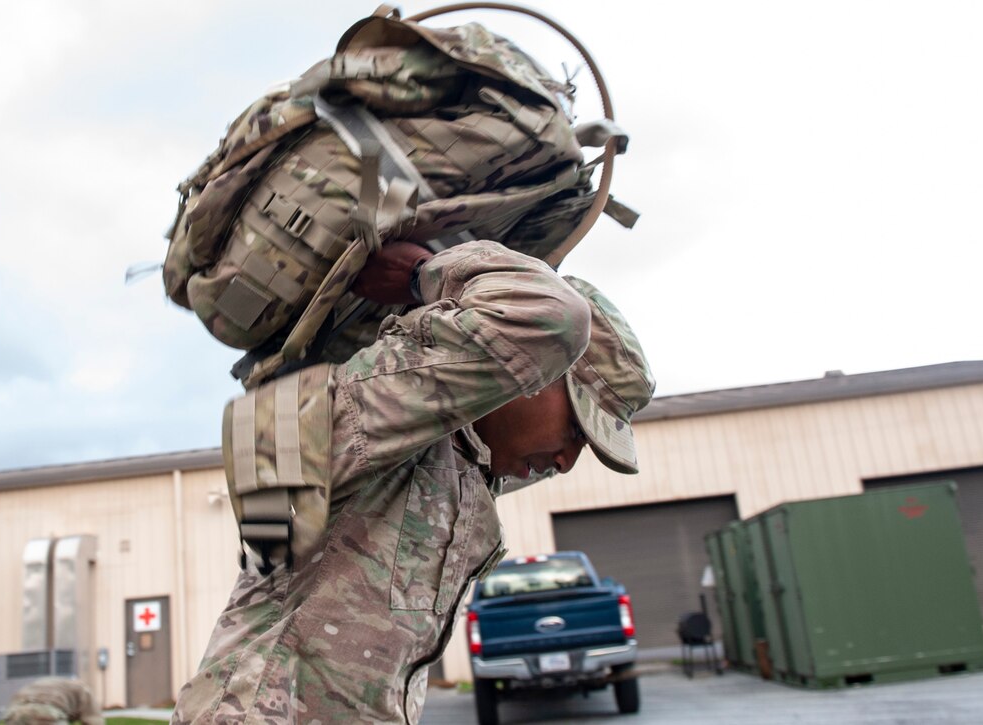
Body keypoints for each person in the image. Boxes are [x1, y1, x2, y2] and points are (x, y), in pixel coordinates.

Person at [172, 240, 655, 724]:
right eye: (575, 428)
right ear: (536, 368)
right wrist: (422, 273)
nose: (566, 461)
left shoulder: (469, 471)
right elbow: (554, 316)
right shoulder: (376, 416)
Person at [4, 677, 102, 725]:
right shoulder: (84, 690)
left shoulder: (56, 683)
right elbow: (94, 721)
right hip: (46, 711)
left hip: (15, 711)